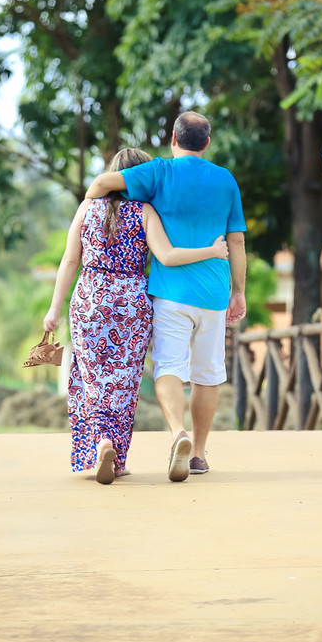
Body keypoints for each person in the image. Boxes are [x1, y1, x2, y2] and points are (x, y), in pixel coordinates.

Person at [44, 148, 228, 485]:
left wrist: (54, 308)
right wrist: (213, 251)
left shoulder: (87, 207)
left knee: (91, 377)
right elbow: (168, 256)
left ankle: (101, 442)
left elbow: (70, 260)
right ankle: (117, 458)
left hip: (90, 300)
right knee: (124, 382)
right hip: (131, 304)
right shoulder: (144, 212)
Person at [84, 111, 246, 482]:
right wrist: (238, 292)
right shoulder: (226, 180)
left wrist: (92, 209)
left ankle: (178, 433)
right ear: (207, 143)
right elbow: (236, 241)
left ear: (173, 139)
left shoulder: (158, 172)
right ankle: (199, 453)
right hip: (214, 293)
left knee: (169, 368)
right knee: (207, 374)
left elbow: (102, 183)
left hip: (171, 293)